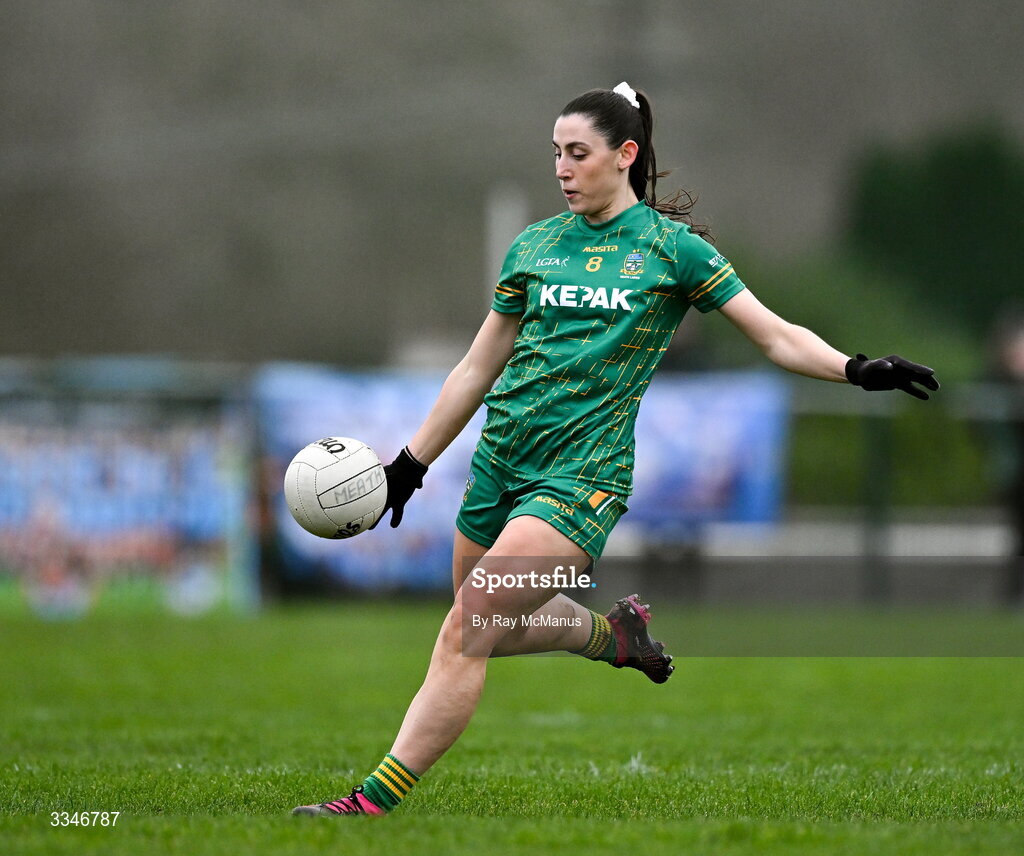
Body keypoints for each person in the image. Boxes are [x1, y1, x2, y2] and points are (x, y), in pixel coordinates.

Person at [293, 82, 939, 817]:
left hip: (581, 481)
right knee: (484, 630)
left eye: (578, 153)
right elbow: (477, 366)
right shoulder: (534, 245)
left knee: (467, 630)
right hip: (500, 466)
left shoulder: (672, 251)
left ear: (624, 155)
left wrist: (856, 368)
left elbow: (775, 334)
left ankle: (371, 803)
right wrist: (412, 462)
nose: (563, 169)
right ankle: (610, 635)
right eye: (556, 155)